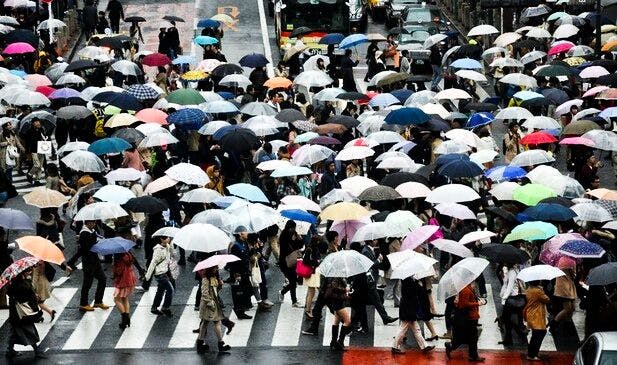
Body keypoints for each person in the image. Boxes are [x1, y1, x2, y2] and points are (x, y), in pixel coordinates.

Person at [67, 220, 110, 312]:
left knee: (103, 279)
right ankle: (83, 304)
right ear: (87, 223)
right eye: (92, 222)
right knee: (87, 283)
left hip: (95, 260)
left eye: (94, 222)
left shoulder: (92, 231)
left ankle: (98, 301)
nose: (94, 224)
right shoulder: (84, 233)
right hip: (88, 262)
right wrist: (71, 261)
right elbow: (84, 249)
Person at [5, 267, 47, 359]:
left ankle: (10, 350)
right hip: (23, 313)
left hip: (16, 313)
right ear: (22, 274)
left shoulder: (13, 284)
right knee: (30, 331)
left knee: (15, 333)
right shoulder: (23, 285)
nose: (30, 273)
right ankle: (37, 351)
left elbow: (11, 293)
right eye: (28, 272)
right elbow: (29, 297)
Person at [392, 278, 436, 354]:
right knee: (403, 329)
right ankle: (394, 347)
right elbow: (419, 290)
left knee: (416, 330)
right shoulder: (410, 282)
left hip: (408, 309)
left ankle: (424, 346)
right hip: (409, 310)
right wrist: (419, 283)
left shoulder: (406, 281)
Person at [445, 283, 487, 362]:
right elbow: (464, 304)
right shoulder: (466, 290)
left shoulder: (467, 288)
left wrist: (476, 299)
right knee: (473, 337)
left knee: (469, 337)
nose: (474, 282)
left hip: (471, 317)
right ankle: (472, 355)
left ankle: (453, 346)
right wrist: (478, 303)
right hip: (470, 317)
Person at [195, 266, 231, 353]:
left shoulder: (214, 278)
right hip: (209, 305)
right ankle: (220, 343)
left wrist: (220, 285)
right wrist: (210, 303)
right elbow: (204, 293)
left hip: (213, 303)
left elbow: (215, 291)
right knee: (216, 322)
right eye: (215, 268)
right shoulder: (205, 279)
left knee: (205, 323)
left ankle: (200, 344)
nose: (217, 269)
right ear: (210, 269)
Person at [145, 235, 174, 317]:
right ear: (161, 239)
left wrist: (170, 244)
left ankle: (154, 308)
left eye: (169, 237)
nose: (168, 238)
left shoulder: (167, 246)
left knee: (160, 291)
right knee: (170, 290)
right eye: (166, 238)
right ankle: (165, 308)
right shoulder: (158, 250)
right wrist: (147, 276)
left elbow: (172, 254)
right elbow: (153, 262)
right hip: (160, 274)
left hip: (165, 272)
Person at [113, 250, 143, 329]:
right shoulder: (128, 255)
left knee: (116, 299)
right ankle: (127, 319)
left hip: (122, 281)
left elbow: (119, 272)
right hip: (130, 279)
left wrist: (114, 265)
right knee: (125, 298)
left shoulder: (119, 259)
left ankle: (125, 318)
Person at [499, 263, 527, 345]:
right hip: (515, 297)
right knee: (509, 320)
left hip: (512, 298)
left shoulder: (512, 272)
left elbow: (510, 286)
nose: (504, 262)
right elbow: (506, 283)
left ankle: (519, 335)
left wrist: (504, 298)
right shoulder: (514, 270)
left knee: (509, 320)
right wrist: (503, 276)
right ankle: (509, 339)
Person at [278, 220, 303, 307]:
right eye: (292, 228)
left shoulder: (293, 234)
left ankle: (286, 295)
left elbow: (299, 246)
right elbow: (285, 250)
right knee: (293, 282)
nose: (293, 230)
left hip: (293, 261)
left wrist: (299, 239)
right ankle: (293, 301)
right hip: (285, 262)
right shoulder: (284, 236)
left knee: (293, 282)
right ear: (289, 228)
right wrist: (293, 241)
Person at [524, 281, 551, 361]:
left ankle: (532, 353)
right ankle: (532, 354)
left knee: (536, 334)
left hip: (531, 314)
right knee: (539, 333)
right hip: (537, 315)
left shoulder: (529, 289)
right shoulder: (538, 291)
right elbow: (547, 300)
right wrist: (542, 291)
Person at [325, 277, 352, 350]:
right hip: (338, 304)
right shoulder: (336, 279)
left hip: (338, 304)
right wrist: (345, 292)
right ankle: (340, 342)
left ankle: (333, 342)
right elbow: (335, 292)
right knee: (347, 321)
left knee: (336, 322)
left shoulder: (338, 278)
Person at [302, 236, 322, 318]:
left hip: (312, 273)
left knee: (311, 292)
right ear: (316, 242)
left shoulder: (310, 248)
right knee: (312, 293)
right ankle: (308, 310)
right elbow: (306, 261)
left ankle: (309, 308)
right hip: (312, 273)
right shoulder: (312, 249)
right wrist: (316, 262)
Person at [24, 119, 47, 185]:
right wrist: (27, 152)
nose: (38, 123)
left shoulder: (41, 130)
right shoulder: (29, 132)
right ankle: (29, 174)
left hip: (41, 149)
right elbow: (27, 143)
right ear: (33, 124)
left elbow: (45, 137)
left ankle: (37, 180)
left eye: (38, 122)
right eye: (36, 122)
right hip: (33, 150)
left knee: (40, 166)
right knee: (37, 165)